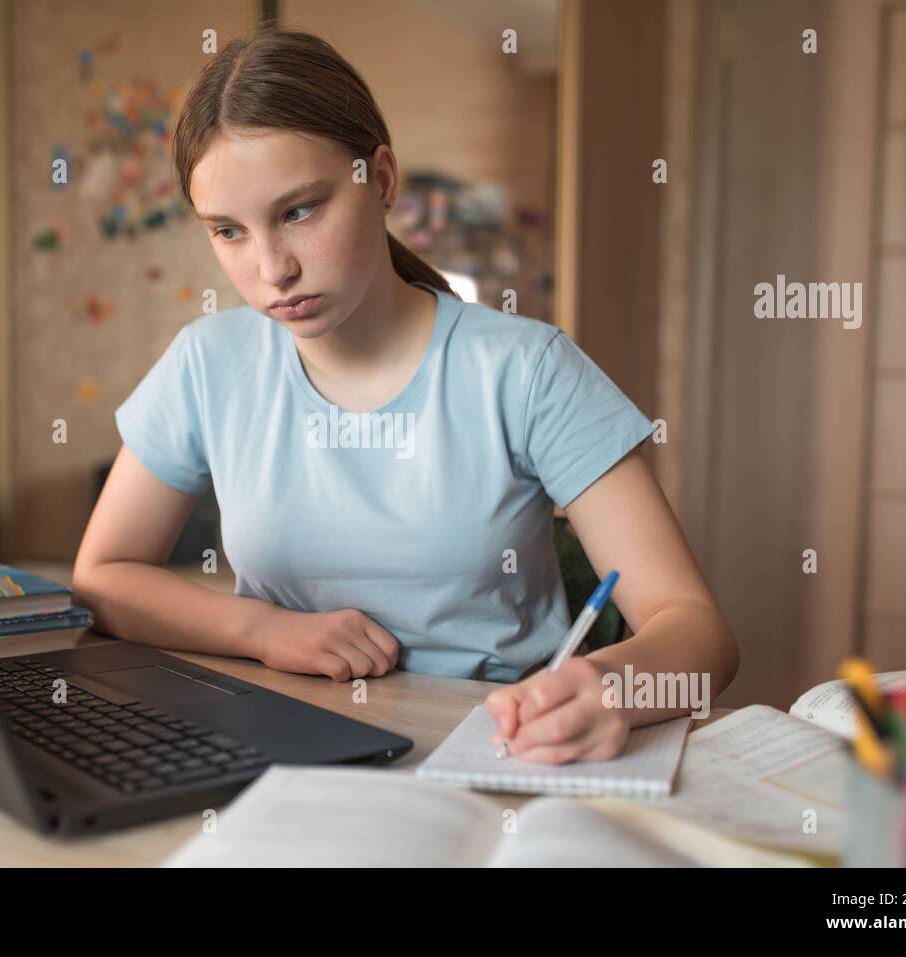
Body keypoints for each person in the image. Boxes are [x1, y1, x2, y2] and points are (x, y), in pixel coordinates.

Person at [74, 29, 738, 763]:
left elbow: (698, 629)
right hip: (290, 749)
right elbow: (103, 576)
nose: (272, 268)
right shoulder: (207, 362)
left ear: (381, 178)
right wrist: (262, 629)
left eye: (299, 211)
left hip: (500, 747)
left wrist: (608, 689)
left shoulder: (527, 368)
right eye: (229, 231)